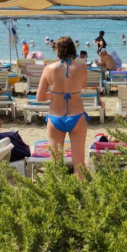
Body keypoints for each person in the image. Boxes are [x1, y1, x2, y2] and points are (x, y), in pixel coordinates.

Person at [36, 36, 88, 179]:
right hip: (77, 116)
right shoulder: (82, 67)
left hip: (55, 117)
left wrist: (54, 94)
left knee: (56, 162)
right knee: (79, 163)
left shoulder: (48, 68)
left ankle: (59, 190)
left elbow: (39, 97)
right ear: (73, 49)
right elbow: (82, 86)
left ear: (57, 50)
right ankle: (82, 190)